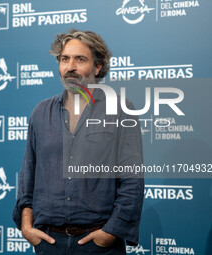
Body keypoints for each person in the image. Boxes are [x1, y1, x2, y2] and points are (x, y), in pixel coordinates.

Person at [13, 29, 144, 255]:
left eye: (80, 59)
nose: (70, 67)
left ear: (97, 67)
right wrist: (26, 226)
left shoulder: (121, 110)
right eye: (65, 59)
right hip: (48, 242)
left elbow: (132, 181)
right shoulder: (40, 113)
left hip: (99, 244)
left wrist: (110, 233)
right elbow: (28, 175)